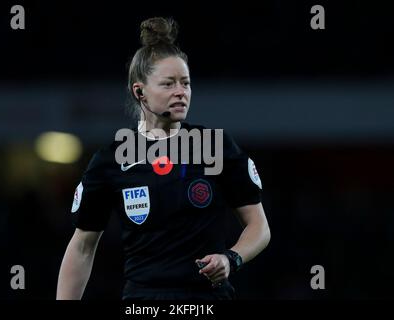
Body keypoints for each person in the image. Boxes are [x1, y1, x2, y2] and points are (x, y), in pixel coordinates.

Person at [57, 17, 270, 300]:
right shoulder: (111, 160)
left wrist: (231, 259)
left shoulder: (215, 146)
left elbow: (260, 227)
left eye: (186, 83)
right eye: (169, 84)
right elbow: (83, 246)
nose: (181, 92)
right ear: (140, 92)